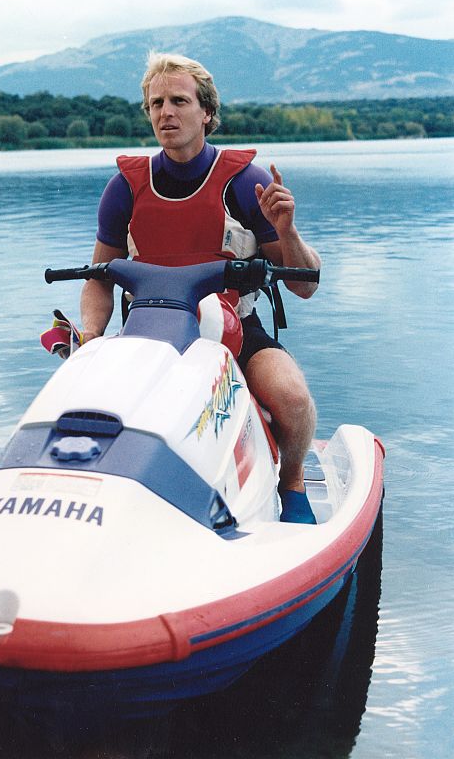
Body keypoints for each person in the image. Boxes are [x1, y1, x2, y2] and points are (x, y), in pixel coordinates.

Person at [80, 52, 321, 525]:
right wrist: (90, 337)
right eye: (156, 104)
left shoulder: (246, 184)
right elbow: (98, 279)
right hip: (148, 333)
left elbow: (303, 287)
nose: (165, 112)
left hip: (238, 330)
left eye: (179, 101)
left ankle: (291, 482)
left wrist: (287, 232)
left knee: (291, 396)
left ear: (206, 112)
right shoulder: (124, 188)